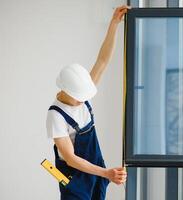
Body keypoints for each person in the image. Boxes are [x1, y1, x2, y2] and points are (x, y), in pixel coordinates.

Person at [46, 5, 130, 200]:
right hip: (74, 176)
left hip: (96, 167)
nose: (83, 100)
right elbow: (70, 158)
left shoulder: (82, 92)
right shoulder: (55, 115)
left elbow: (102, 61)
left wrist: (114, 23)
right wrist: (106, 173)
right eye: (79, 97)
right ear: (66, 91)